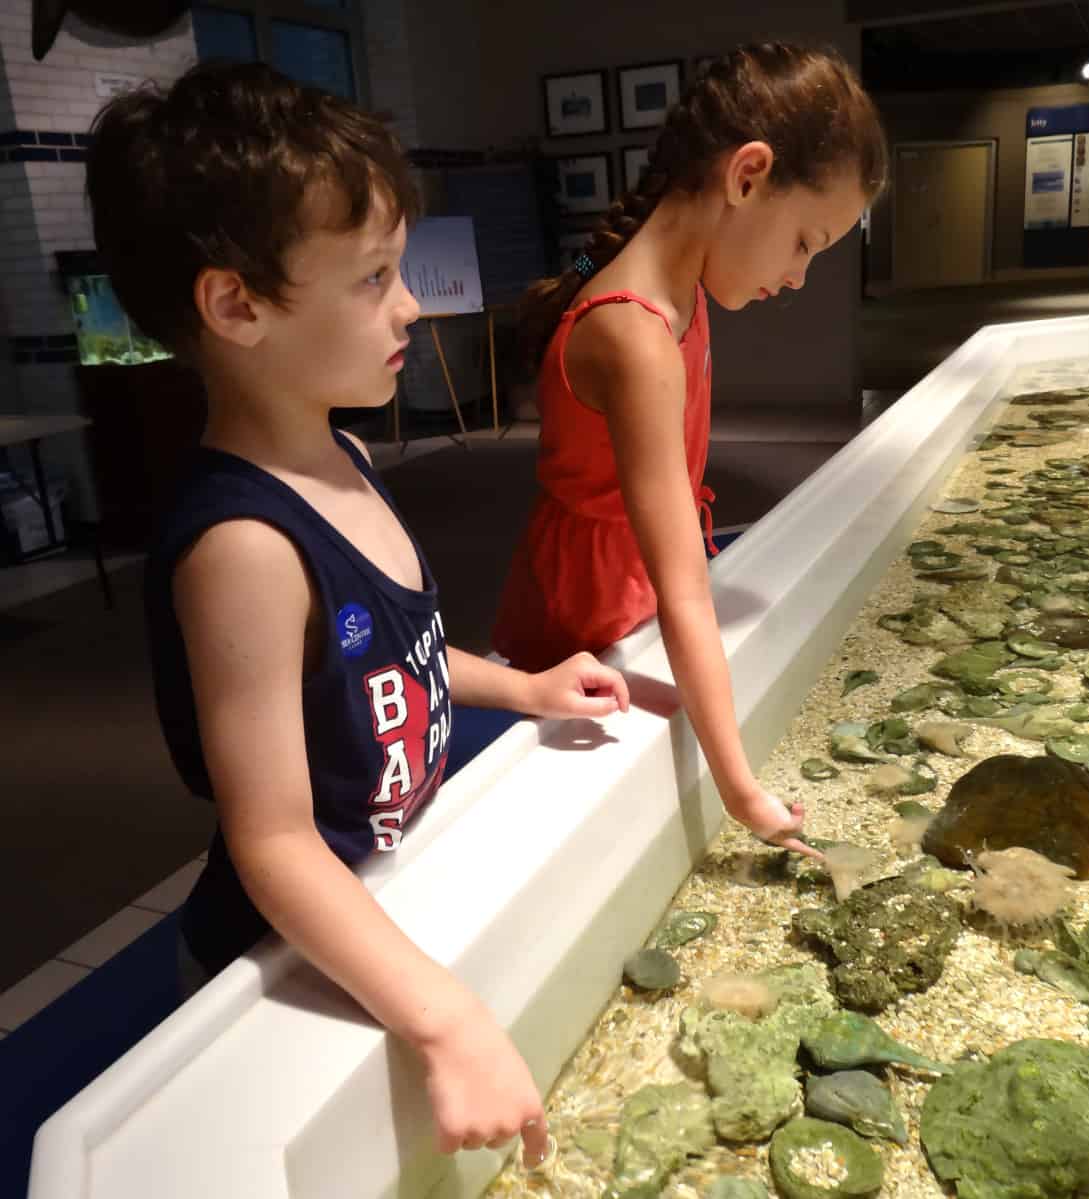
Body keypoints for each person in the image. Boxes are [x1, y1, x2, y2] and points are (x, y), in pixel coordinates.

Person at [85, 61, 630, 1168]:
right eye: (375, 276)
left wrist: (520, 686)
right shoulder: (245, 547)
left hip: (377, 882)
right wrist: (447, 1017)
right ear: (237, 303)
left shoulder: (341, 449)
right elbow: (274, 838)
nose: (412, 303)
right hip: (268, 963)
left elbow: (406, 654)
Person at [493, 43, 887, 858]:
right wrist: (742, 789)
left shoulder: (683, 293)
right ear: (747, 176)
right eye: (806, 241)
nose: (800, 275)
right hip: (577, 616)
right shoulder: (634, 336)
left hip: (617, 586)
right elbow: (684, 594)